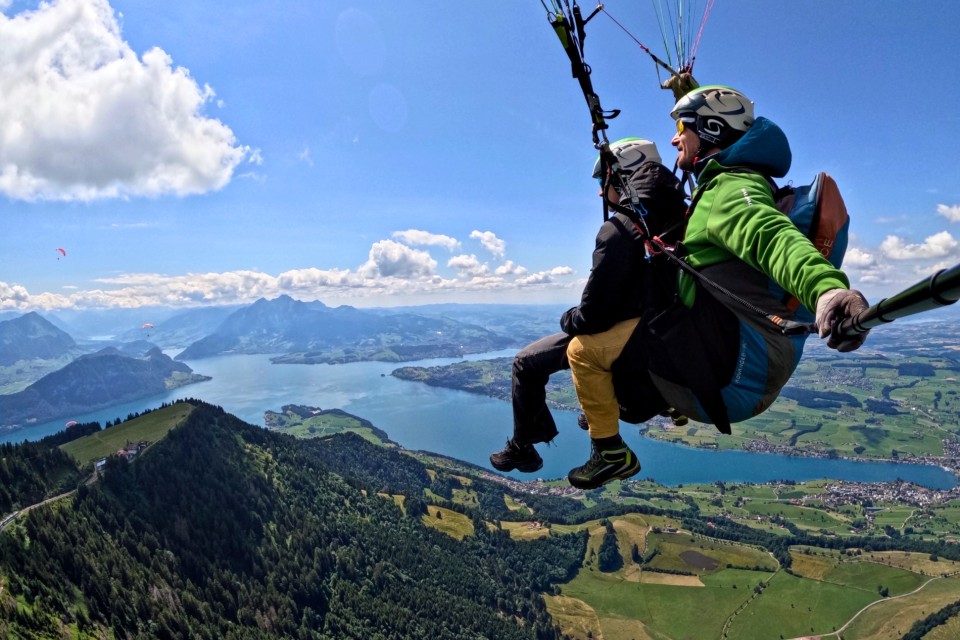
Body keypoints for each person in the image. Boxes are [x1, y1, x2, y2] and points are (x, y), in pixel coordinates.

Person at [563, 85, 870, 490]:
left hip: (732, 373)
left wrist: (826, 289)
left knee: (582, 352)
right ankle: (641, 404)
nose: (674, 137)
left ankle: (609, 451)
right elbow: (723, 133)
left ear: (708, 129)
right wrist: (688, 91)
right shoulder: (729, 178)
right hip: (758, 358)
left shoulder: (729, 190)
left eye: (681, 127)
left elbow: (770, 236)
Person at [489, 138, 688, 475]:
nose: (600, 192)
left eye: (602, 181)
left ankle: (524, 448)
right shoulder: (681, 214)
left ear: (622, 176)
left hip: (628, 331)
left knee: (526, 362)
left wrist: (568, 318)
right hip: (667, 329)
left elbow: (592, 314)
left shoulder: (620, 230)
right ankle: (667, 402)